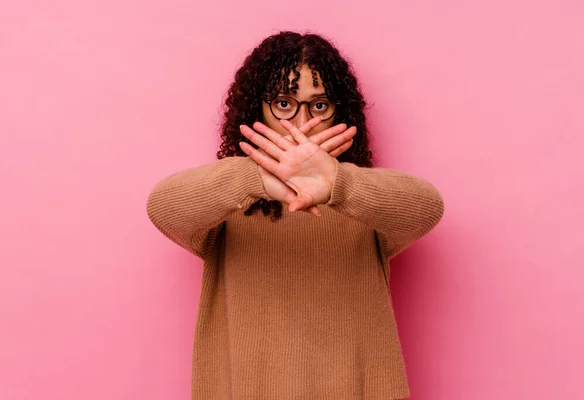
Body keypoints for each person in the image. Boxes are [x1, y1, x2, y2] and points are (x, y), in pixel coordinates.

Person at [146, 30, 444, 400]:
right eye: (284, 104)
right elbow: (163, 206)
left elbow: (427, 206)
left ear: (340, 111)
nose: (301, 122)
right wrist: (256, 174)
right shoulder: (227, 204)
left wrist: (339, 182)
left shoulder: (364, 205)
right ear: (257, 108)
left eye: (319, 105)